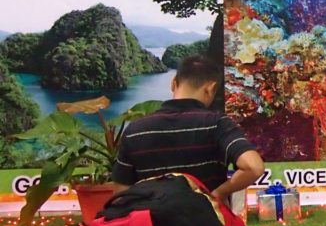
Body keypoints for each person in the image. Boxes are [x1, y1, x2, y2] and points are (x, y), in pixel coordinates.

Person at [111, 55, 264, 203]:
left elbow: (121, 195)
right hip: (205, 225)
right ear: (211, 88)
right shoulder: (216, 124)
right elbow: (253, 167)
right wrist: (217, 194)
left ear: (173, 83)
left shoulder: (136, 130)